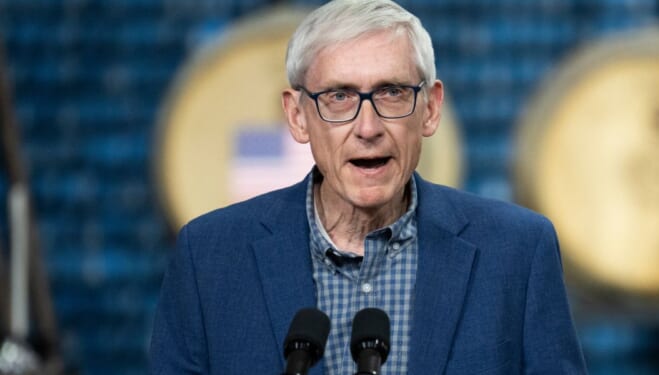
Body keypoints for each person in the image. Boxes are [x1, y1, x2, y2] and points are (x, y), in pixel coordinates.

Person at [149, 0, 587, 374]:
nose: (368, 127)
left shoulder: (518, 252)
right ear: (298, 116)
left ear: (431, 108)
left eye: (392, 93)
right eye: (339, 97)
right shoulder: (209, 258)